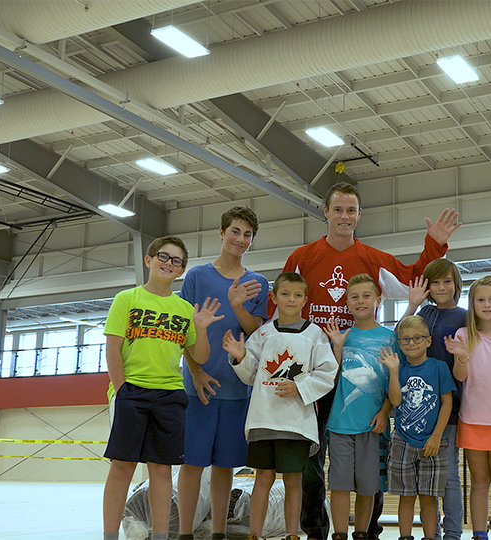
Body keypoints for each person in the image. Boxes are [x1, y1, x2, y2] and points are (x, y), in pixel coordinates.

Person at [277, 181, 461, 540]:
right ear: (326, 212)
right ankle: (316, 530)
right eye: (338, 209)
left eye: (351, 210)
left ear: (359, 215)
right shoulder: (302, 257)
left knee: (369, 467)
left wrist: (434, 245)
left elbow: (414, 280)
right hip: (313, 377)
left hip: (363, 386)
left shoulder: (374, 259)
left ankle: (367, 531)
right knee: (311, 463)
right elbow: (281, 307)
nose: (344, 216)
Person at [101, 236, 225, 540]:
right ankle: (109, 535)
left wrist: (201, 328)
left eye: (176, 261)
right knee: (122, 466)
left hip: (169, 395)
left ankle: (160, 536)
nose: (168, 263)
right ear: (149, 260)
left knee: (161, 469)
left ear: (181, 270)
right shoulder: (127, 299)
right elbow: (113, 349)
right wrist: (122, 390)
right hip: (132, 391)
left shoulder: (184, 309)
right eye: (163, 256)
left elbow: (200, 357)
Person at [223, 272, 338, 540]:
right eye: (285, 294)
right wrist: (240, 357)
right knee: (263, 477)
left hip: (296, 422)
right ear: (274, 298)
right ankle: (254, 534)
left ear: (305, 300)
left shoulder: (315, 334)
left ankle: (291, 534)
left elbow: (327, 373)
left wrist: (300, 386)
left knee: (293, 479)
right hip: (264, 418)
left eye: (297, 295)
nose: (291, 299)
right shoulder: (263, 333)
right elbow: (251, 373)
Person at [177, 207, 269, 540]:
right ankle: (184, 533)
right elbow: (183, 330)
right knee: (191, 463)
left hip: (236, 388)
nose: (240, 239)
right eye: (235, 231)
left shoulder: (258, 283)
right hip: (197, 388)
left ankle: (219, 533)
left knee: (225, 465)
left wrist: (237, 305)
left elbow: (256, 332)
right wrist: (196, 371)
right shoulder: (196, 277)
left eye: (248, 234)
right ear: (221, 232)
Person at [323, 274, 400, 540]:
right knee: (340, 485)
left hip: (373, 425)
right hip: (340, 424)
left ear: (378, 300)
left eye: (366, 296)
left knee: (368, 487)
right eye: (354, 297)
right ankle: (339, 534)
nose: (360, 301)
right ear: (347, 303)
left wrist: (385, 412)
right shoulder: (341, 337)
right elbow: (330, 380)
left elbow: (395, 382)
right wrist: (337, 348)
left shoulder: (391, 338)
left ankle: (361, 534)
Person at [444, 276, 491, 540]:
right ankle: (479, 534)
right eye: (481, 299)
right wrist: (462, 357)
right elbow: (460, 376)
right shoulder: (464, 335)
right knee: (479, 481)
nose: (487, 304)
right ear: (472, 304)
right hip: (472, 419)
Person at [402, 259, 466, 540]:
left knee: (449, 473)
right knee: (426, 478)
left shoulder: (465, 316)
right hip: (417, 407)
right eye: (435, 282)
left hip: (449, 405)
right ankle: (433, 534)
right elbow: (400, 338)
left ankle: (452, 533)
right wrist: (412, 305)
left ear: (456, 284)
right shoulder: (424, 313)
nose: (441, 288)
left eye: (447, 281)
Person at [387, 315, 456, 540]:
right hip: (402, 439)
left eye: (417, 338)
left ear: (428, 341)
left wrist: (436, 436)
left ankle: (430, 537)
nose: (412, 343)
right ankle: (405, 536)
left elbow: (447, 402)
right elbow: (395, 401)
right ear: (399, 344)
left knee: (429, 496)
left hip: (433, 441)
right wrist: (393, 372)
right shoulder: (399, 369)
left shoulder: (439, 367)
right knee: (406, 496)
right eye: (405, 339)